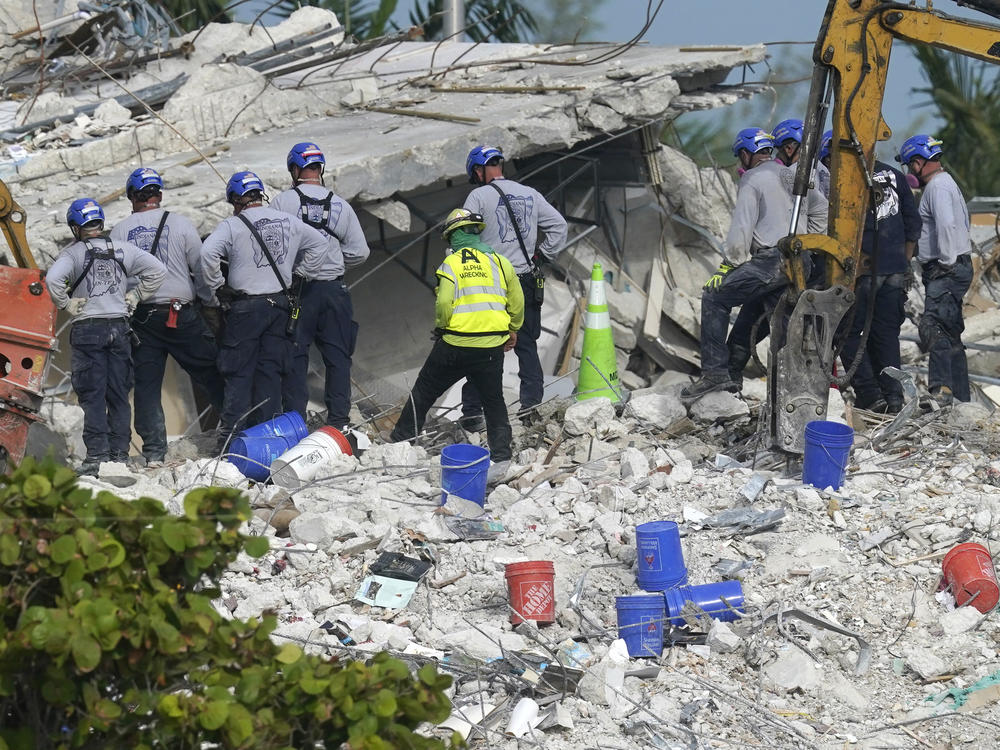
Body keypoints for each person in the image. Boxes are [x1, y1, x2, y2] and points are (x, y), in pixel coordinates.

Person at [682, 126, 828, 400]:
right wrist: (811, 240)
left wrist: (728, 265)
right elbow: (822, 209)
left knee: (714, 297)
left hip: (773, 261)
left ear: (747, 154)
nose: (741, 162)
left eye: (741, 156)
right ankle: (737, 380)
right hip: (802, 262)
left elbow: (741, 229)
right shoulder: (793, 174)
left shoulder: (752, 178)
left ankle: (714, 374)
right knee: (758, 318)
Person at [390, 209, 523, 473]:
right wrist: (513, 328)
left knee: (425, 390)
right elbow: (517, 300)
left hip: (455, 344)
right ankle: (501, 454)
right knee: (493, 400)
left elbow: (444, 303)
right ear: (476, 231)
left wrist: (441, 327)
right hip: (490, 346)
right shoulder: (499, 261)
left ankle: (401, 439)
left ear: (452, 237)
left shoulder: (450, 265)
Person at [200, 171, 329, 443]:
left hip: (246, 308)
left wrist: (217, 285)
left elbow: (207, 253)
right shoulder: (287, 221)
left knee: (238, 373)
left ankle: (232, 441)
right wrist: (300, 275)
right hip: (280, 306)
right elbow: (319, 243)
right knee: (270, 371)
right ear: (261, 195)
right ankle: (267, 436)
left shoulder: (232, 225)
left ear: (236, 199)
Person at [109, 167, 226, 465]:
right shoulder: (181, 224)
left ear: (132, 197)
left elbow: (115, 280)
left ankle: (154, 452)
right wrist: (210, 302)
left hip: (143, 318)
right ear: (159, 195)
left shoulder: (120, 231)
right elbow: (201, 270)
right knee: (212, 370)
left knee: (147, 385)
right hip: (180, 313)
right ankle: (237, 428)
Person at [47, 198, 166, 475]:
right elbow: (158, 271)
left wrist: (65, 304)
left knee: (92, 395)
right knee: (118, 395)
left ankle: (97, 458)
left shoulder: (72, 254)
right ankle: (120, 456)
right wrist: (136, 295)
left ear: (76, 227)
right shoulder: (123, 249)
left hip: (89, 329)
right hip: (120, 328)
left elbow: (53, 280)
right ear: (100, 223)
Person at [460, 145, 567, 428]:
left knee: (484, 346)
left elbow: (463, 236)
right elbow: (559, 227)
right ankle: (530, 409)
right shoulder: (530, 193)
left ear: (479, 171)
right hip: (526, 280)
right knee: (528, 346)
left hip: (493, 284)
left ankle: (473, 414)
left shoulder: (477, 196)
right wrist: (541, 256)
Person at [817, 133, 921, 413]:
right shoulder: (894, 176)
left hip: (861, 272)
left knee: (846, 333)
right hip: (894, 269)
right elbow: (913, 223)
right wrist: (903, 261)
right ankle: (894, 397)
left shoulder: (844, 180)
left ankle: (870, 394)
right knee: (885, 335)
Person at [270, 142, 370, 430]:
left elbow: (275, 249)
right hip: (334, 291)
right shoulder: (341, 205)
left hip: (299, 293)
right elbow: (360, 252)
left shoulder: (282, 203)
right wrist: (335, 263)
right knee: (338, 358)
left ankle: (295, 423)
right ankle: (339, 423)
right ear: (319, 169)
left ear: (295, 169)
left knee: (296, 357)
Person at [896, 134, 972, 404]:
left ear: (918, 162)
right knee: (951, 333)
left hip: (946, 268)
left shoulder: (937, 187)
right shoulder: (946, 182)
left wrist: (946, 263)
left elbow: (948, 224)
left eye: (909, 165)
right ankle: (961, 396)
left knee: (933, 325)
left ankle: (941, 389)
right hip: (955, 265)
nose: (910, 171)